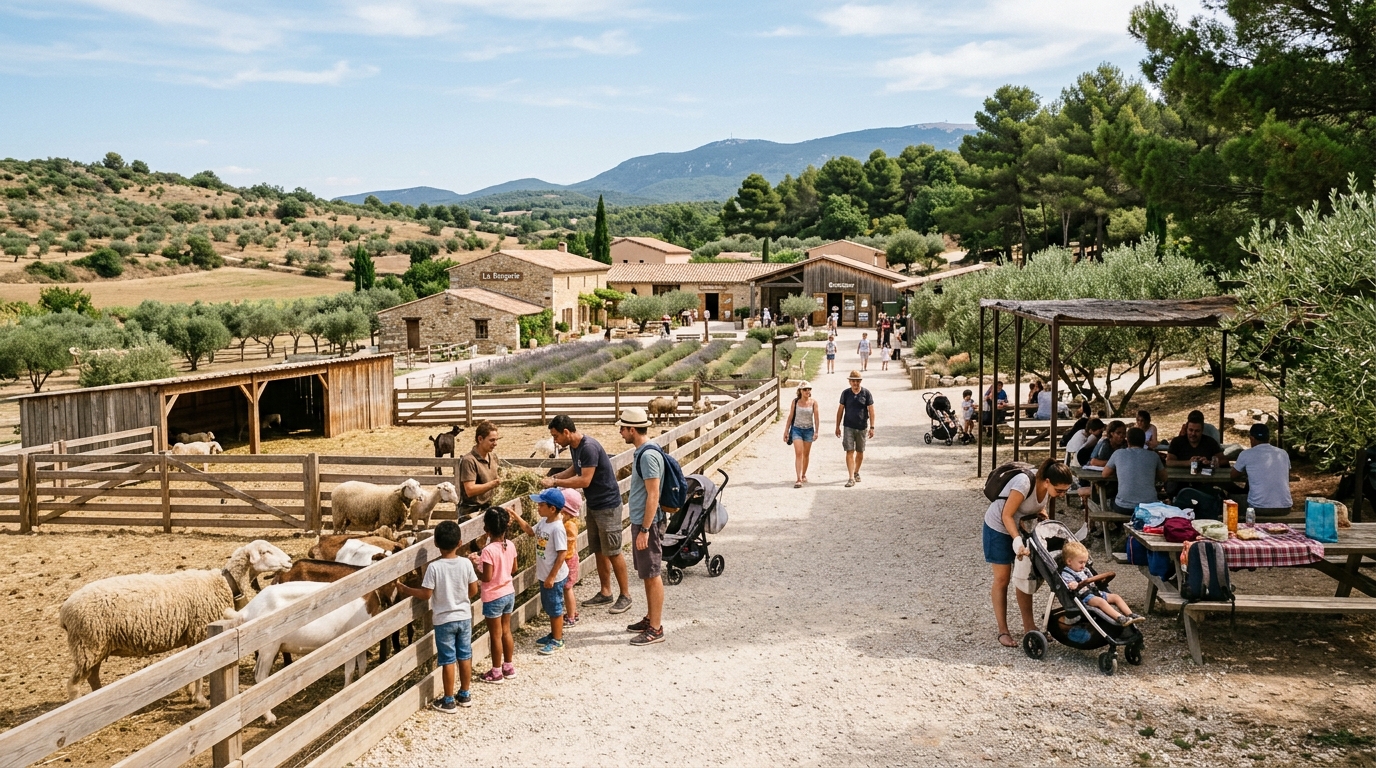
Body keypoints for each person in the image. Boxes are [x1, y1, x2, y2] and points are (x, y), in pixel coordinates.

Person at [542, 415, 632, 614]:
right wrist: (554, 477)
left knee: (613, 550)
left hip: (607, 505)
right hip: (594, 504)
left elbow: (584, 480)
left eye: (556, 436)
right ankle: (605, 591)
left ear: (566, 432)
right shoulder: (576, 447)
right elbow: (575, 468)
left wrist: (555, 483)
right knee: (599, 549)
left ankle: (625, 595)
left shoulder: (589, 447)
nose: (555, 440)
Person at [985, 458, 1075, 647]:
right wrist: (1017, 541)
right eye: (1059, 490)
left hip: (1019, 526)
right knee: (1002, 578)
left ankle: (1029, 626)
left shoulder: (1048, 487)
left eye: (1065, 491)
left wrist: (1040, 514)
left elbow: (1034, 504)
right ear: (1048, 481)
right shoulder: (1024, 482)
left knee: (1025, 576)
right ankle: (1003, 631)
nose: (1060, 495)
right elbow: (1006, 515)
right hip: (998, 527)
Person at [397, 520, 478, 711]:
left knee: (448, 659)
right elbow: (473, 590)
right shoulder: (466, 563)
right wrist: (460, 599)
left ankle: (448, 700)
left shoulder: (434, 568)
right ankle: (465, 694)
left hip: (443, 620)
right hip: (464, 617)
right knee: (465, 655)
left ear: (435, 544)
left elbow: (426, 594)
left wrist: (406, 588)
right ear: (460, 543)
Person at [618, 407, 667, 646]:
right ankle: (651, 618)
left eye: (623, 428)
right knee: (647, 573)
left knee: (653, 573)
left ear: (632, 430)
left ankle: (656, 629)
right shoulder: (644, 452)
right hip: (642, 521)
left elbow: (653, 494)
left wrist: (646, 530)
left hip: (648, 523)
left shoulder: (647, 456)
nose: (620, 432)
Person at [508, 488, 569, 656]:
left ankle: (558, 640)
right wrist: (516, 516)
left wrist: (551, 576)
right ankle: (554, 633)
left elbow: (562, 553)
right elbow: (529, 531)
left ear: (552, 509)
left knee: (555, 607)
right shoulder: (544, 522)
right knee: (549, 605)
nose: (537, 507)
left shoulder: (557, 528)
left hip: (553, 577)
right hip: (545, 574)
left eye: (541, 505)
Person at [473, 507, 517, 684]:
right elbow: (514, 569)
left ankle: (496, 672)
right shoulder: (510, 545)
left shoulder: (488, 551)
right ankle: (508, 666)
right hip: (508, 592)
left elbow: (487, 577)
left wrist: (477, 566)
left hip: (493, 596)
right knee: (506, 631)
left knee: (495, 635)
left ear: (486, 530)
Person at [1059, 541, 1143, 625]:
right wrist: (1073, 585)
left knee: (1115, 597)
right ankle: (1119, 618)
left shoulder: (1085, 570)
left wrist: (1100, 581)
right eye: (1081, 562)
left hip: (1095, 592)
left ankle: (1131, 615)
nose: (1083, 565)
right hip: (1084, 597)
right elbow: (1070, 585)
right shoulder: (1066, 573)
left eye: (1085, 562)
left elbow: (1092, 579)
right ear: (1069, 561)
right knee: (1101, 602)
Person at [1231, 423, 1293, 516]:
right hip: (1285, 508)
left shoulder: (1246, 454)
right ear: (1268, 438)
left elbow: (1233, 475)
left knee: (1232, 498)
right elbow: (1285, 473)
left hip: (1258, 508)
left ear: (1251, 438)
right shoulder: (1283, 453)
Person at [1101, 427, 1167, 514]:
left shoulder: (1118, 453)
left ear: (1127, 440)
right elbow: (1164, 478)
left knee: (1112, 501)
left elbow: (1104, 474)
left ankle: (1119, 526)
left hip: (1124, 507)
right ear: (1144, 441)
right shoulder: (1153, 456)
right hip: (1150, 506)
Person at [1166, 411, 1227, 492]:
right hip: (1181, 481)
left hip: (1205, 482)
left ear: (1202, 430)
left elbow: (1224, 460)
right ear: (1186, 429)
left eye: (1197, 431)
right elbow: (1169, 462)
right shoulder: (1177, 441)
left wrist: (1210, 462)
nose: (1193, 434)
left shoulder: (1210, 442)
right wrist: (1188, 462)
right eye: (1190, 430)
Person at [835, 370, 875, 488]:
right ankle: (851, 477)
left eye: (857, 381)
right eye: (853, 381)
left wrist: (872, 427)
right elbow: (840, 410)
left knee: (860, 452)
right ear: (849, 382)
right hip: (848, 426)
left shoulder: (866, 393)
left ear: (860, 381)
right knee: (849, 451)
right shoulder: (845, 394)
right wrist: (837, 426)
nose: (855, 383)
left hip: (862, 426)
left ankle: (856, 471)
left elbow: (871, 410)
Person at [457, 422, 501, 520]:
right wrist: (493, 484)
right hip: (471, 513)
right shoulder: (469, 460)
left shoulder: (493, 457)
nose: (495, 444)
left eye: (496, 440)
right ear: (480, 439)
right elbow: (470, 490)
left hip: (488, 510)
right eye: (492, 440)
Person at [784, 381, 817, 488]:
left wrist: (816, 431)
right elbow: (790, 416)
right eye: (805, 389)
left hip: (808, 430)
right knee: (799, 453)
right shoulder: (795, 402)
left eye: (809, 389)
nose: (807, 391)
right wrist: (786, 431)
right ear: (800, 391)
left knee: (806, 454)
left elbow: (816, 418)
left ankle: (803, 474)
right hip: (796, 429)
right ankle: (798, 479)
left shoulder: (813, 402)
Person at [559, 488, 583, 628]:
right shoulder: (569, 523)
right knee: (567, 588)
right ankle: (573, 612)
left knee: (568, 588)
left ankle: (571, 617)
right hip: (569, 559)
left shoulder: (569, 525)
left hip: (568, 560)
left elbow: (568, 544)